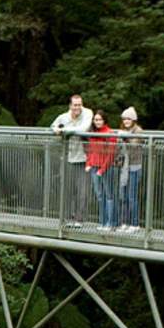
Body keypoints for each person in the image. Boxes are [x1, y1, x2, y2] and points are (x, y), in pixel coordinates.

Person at [51, 94, 94, 228]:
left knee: (82, 191)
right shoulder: (64, 116)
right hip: (68, 158)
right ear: (70, 106)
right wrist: (57, 130)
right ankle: (67, 218)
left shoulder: (87, 113)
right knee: (67, 189)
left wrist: (64, 130)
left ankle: (79, 219)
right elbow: (53, 126)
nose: (77, 108)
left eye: (79, 104)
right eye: (75, 105)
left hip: (83, 158)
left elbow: (83, 129)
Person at [86, 110, 118, 230]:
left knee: (109, 195)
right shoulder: (93, 133)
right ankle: (102, 222)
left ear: (104, 120)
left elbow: (111, 154)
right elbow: (90, 150)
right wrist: (88, 163)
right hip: (94, 167)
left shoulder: (109, 133)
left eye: (99, 119)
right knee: (99, 195)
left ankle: (111, 223)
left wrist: (102, 169)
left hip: (106, 168)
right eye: (96, 120)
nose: (97, 122)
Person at [116, 107, 144, 231]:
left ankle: (135, 224)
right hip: (124, 167)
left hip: (135, 166)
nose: (126, 121)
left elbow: (134, 144)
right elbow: (119, 146)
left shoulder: (138, 130)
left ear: (133, 119)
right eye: (124, 118)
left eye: (129, 118)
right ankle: (124, 223)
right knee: (124, 196)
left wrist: (125, 136)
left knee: (132, 196)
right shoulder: (122, 130)